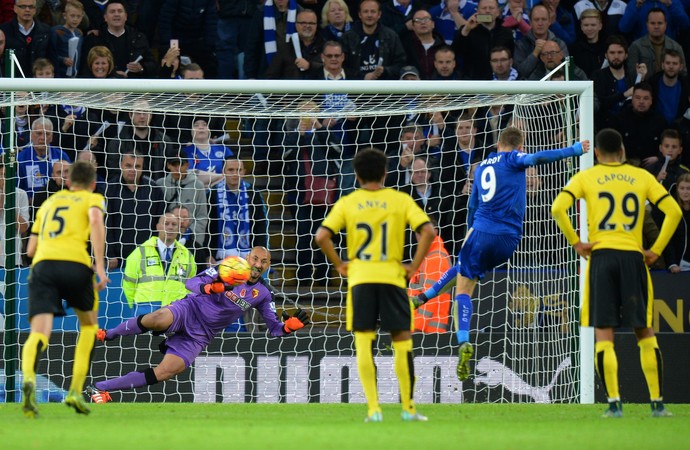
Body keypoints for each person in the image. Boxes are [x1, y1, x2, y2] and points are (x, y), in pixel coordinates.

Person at [412, 127, 590, 381]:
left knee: (463, 290)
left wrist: (471, 228)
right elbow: (536, 159)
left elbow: (473, 203)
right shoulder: (515, 159)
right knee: (465, 268)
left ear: (499, 144)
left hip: (482, 230)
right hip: (509, 241)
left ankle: (463, 341)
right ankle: (422, 298)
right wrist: (572, 150)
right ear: (520, 145)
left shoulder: (484, 165)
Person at [551, 128, 682, 418]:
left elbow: (558, 207)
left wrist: (576, 242)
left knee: (604, 333)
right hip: (633, 258)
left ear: (596, 153)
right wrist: (657, 249)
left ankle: (614, 404)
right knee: (644, 331)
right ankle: (658, 404)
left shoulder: (587, 177)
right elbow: (673, 211)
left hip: (601, 257)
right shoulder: (642, 177)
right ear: (622, 151)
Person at [86, 246, 309, 402]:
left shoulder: (263, 294)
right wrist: (211, 288)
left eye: (264, 261)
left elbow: (274, 329)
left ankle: (101, 388)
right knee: (157, 319)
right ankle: (110, 333)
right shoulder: (228, 267)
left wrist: (289, 327)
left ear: (268, 265)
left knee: (167, 371)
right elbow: (191, 282)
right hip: (189, 310)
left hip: (201, 335)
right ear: (248, 258)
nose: (258, 264)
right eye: (255, 259)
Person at [315, 147, 436, 422]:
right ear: (385, 173)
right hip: (393, 278)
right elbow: (428, 231)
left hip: (361, 279)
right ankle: (408, 409)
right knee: (402, 340)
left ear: (356, 175)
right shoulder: (400, 199)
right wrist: (414, 266)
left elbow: (322, 236)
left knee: (364, 342)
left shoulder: (349, 202)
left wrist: (339, 264)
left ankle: (374, 409)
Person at [21, 160, 109, 418]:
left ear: (68, 182)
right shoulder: (92, 199)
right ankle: (74, 391)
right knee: (89, 326)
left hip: (43, 267)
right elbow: (95, 219)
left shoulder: (49, 203)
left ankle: (28, 377)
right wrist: (100, 267)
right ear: (92, 184)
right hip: (76, 266)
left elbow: (30, 250)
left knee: (39, 333)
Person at [122, 212, 197, 317]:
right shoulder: (140, 252)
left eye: (174, 224)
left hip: (176, 310)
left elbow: (191, 286)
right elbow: (128, 283)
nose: (170, 227)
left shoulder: (187, 255)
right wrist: (137, 305)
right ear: (158, 226)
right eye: (166, 223)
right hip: (145, 310)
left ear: (179, 228)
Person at [209, 158, 268, 261]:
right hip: (218, 257)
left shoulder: (253, 193)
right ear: (223, 172)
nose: (235, 174)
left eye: (239, 170)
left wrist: (259, 254)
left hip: (249, 258)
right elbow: (207, 227)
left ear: (244, 172)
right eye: (231, 170)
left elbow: (261, 225)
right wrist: (208, 255)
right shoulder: (212, 194)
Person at [0, 0, 50, 77]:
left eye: (31, 7)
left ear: (35, 10)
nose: (27, 10)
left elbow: (52, 59)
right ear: (15, 8)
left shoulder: (47, 31)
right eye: (23, 6)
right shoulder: (4, 31)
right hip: (12, 84)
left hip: (39, 85)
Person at [49, 0, 84, 78]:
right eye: (72, 16)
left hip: (75, 75)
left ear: (82, 17)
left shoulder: (79, 33)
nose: (75, 19)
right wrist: (63, 60)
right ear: (65, 15)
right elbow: (50, 54)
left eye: (78, 16)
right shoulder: (57, 32)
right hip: (60, 75)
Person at [664, 172, 690, 272]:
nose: (685, 192)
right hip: (678, 265)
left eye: (688, 188)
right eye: (682, 188)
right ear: (677, 189)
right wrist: (672, 264)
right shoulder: (672, 211)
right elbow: (668, 239)